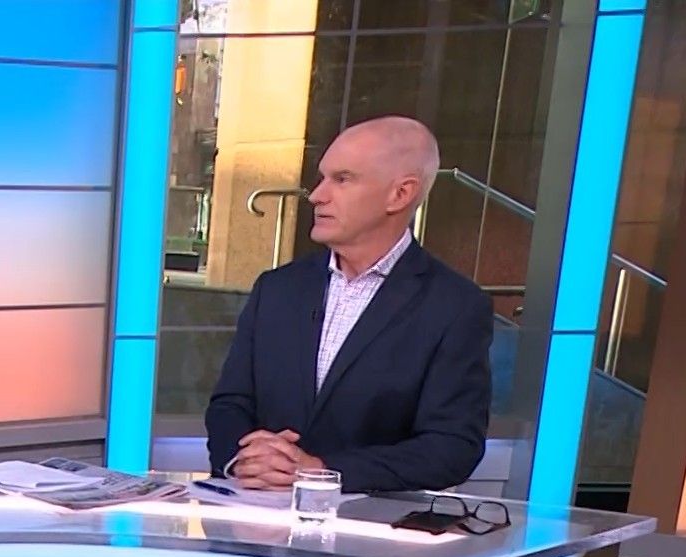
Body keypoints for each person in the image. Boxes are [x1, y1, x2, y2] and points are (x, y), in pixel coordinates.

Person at [205, 115, 492, 493]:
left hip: (369, 521)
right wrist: (243, 460)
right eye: (322, 178)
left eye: (342, 179)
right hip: (256, 512)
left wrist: (323, 471)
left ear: (400, 194)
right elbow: (230, 404)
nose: (316, 195)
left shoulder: (454, 306)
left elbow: (451, 447)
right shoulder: (277, 288)